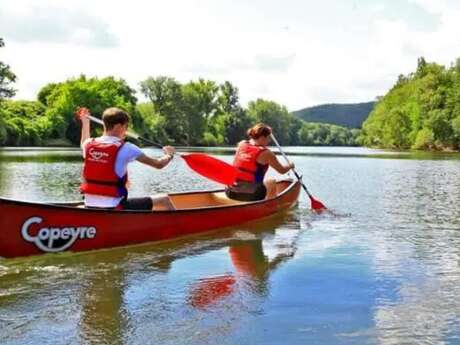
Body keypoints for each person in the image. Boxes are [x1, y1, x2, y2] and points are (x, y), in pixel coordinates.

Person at [78, 107, 176, 211]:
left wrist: (85, 122)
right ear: (119, 126)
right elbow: (158, 164)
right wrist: (169, 155)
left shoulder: (88, 144)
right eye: (126, 126)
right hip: (114, 207)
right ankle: (177, 225)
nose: (126, 130)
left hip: (89, 205)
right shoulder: (127, 148)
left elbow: (83, 141)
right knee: (164, 199)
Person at [225, 123, 294, 201]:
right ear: (262, 137)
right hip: (252, 194)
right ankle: (269, 207)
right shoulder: (266, 153)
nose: (269, 141)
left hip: (230, 192)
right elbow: (282, 170)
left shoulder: (241, 144)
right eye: (268, 138)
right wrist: (290, 165)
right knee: (271, 182)